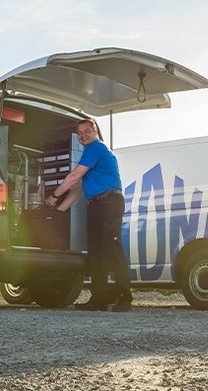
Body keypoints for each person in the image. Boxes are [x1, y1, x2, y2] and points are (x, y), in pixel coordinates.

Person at [45, 119, 132, 312]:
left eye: (86, 131)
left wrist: (54, 196)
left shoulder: (96, 148)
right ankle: (99, 299)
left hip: (109, 203)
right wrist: (58, 211)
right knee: (96, 253)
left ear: (95, 132)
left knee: (112, 249)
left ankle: (125, 298)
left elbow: (74, 177)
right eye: (79, 132)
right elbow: (78, 189)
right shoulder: (90, 155)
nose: (83, 135)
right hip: (96, 205)